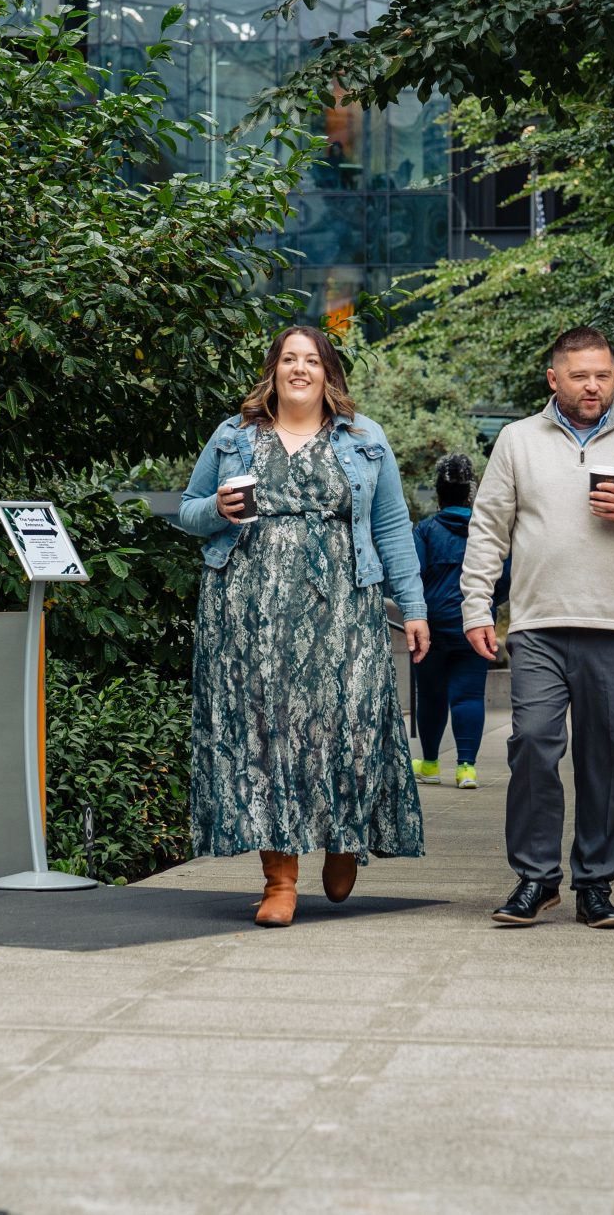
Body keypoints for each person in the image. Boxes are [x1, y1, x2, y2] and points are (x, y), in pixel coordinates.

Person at [177, 325, 429, 928]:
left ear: (327, 372)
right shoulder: (234, 435)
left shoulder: (365, 438)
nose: (299, 369)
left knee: (344, 722)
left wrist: (414, 608)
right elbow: (187, 510)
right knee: (265, 733)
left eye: (310, 360)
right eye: (289, 359)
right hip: (247, 610)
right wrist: (218, 510)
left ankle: (343, 842)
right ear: (273, 369)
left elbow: (393, 527)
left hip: (342, 603)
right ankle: (280, 879)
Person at [463, 326, 614, 930]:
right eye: (580, 375)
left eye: (603, 374)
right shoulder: (517, 441)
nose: (593, 385)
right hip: (539, 624)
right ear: (554, 379)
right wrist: (476, 608)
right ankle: (536, 879)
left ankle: (595, 883)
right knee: (533, 744)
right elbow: (488, 529)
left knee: (608, 758)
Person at [410, 453, 504, 789]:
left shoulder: (424, 531)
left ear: (438, 494)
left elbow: (411, 576)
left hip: (431, 627)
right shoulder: (486, 531)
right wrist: (490, 606)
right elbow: (503, 576)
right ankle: (467, 768)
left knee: (431, 696)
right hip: (475, 626)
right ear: (470, 494)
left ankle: (431, 764)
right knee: (469, 696)